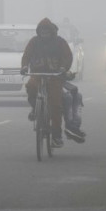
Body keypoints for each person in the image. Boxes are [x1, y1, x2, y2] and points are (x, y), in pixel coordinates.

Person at [21, 18, 73, 148]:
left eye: (46, 32)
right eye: (42, 31)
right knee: (31, 86)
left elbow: (67, 57)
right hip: (37, 74)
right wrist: (24, 67)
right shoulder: (34, 42)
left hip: (54, 76)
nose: (44, 34)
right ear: (39, 31)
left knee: (56, 105)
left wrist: (63, 68)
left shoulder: (60, 42)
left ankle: (56, 136)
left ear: (51, 32)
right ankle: (35, 108)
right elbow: (26, 55)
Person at [62, 79, 86, 144]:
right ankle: (70, 127)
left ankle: (74, 127)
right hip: (50, 83)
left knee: (78, 96)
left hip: (59, 81)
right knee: (68, 97)